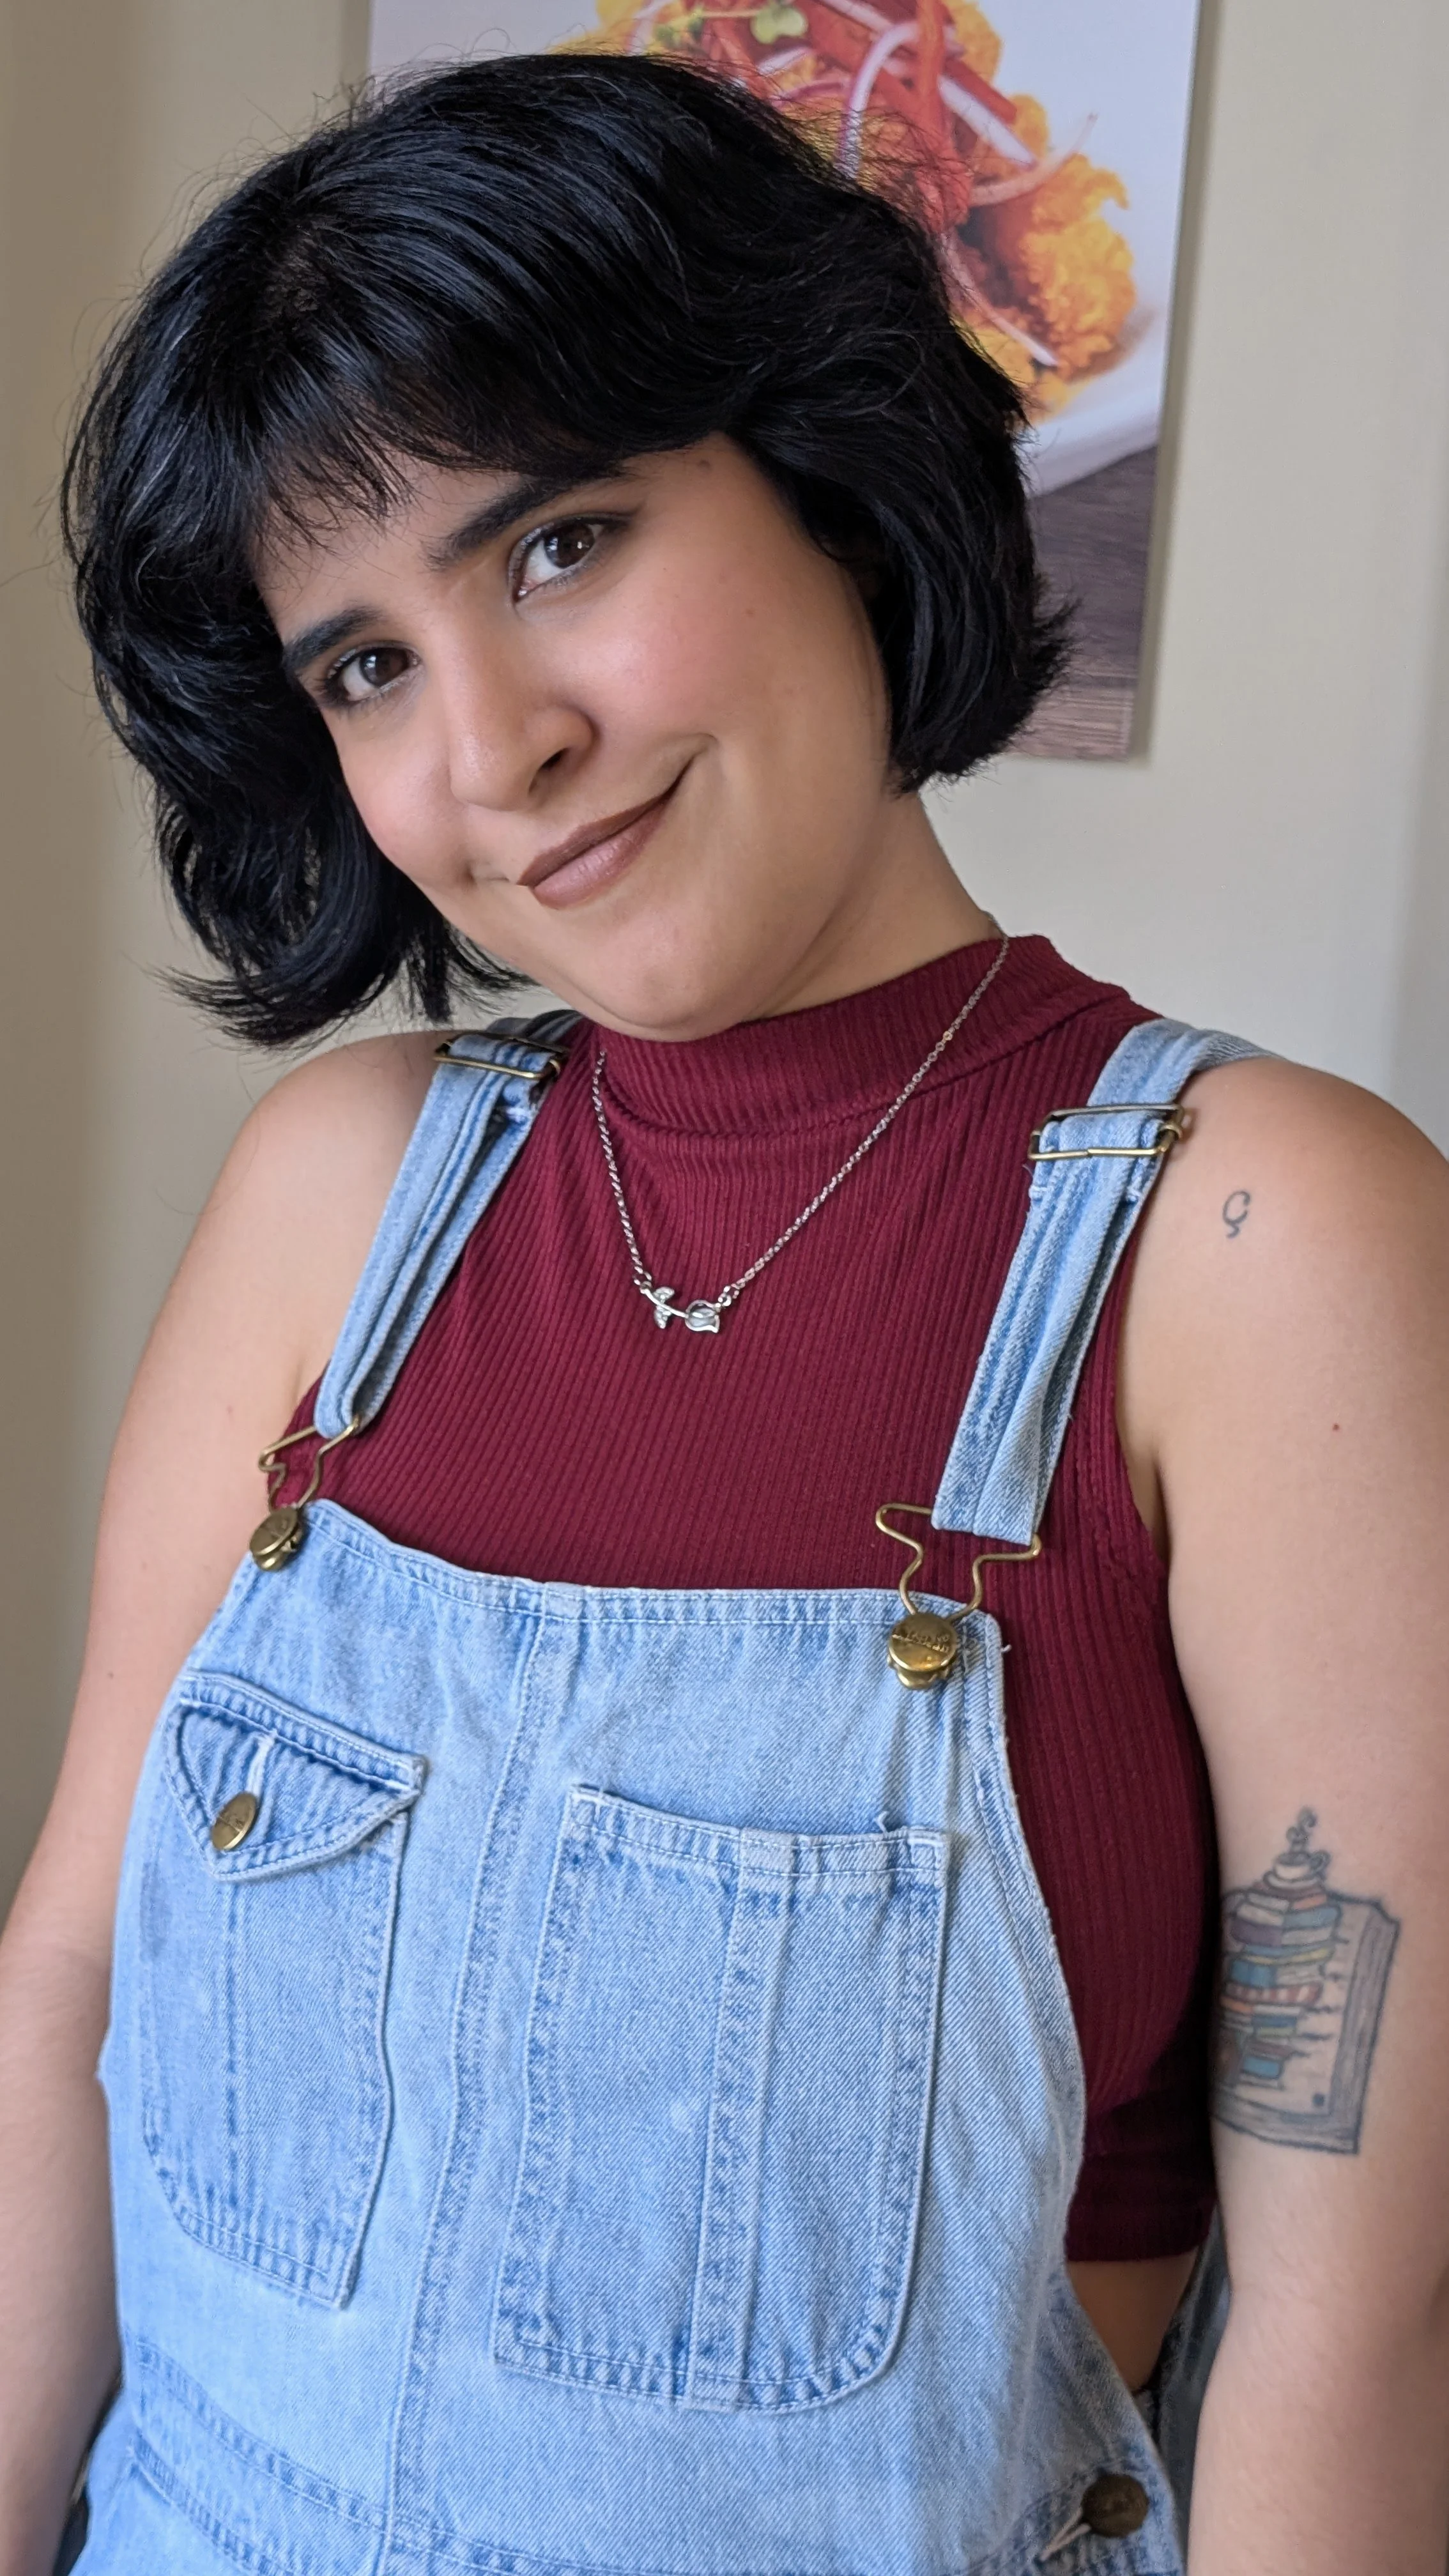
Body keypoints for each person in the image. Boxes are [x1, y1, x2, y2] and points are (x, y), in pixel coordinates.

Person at [1, 47, 1447, 2576]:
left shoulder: (1262, 1239)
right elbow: (69, 1986)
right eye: (364, 666)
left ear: (824, 476)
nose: (497, 749)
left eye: (561, 544)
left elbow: (1358, 2314)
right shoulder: (335, 1190)